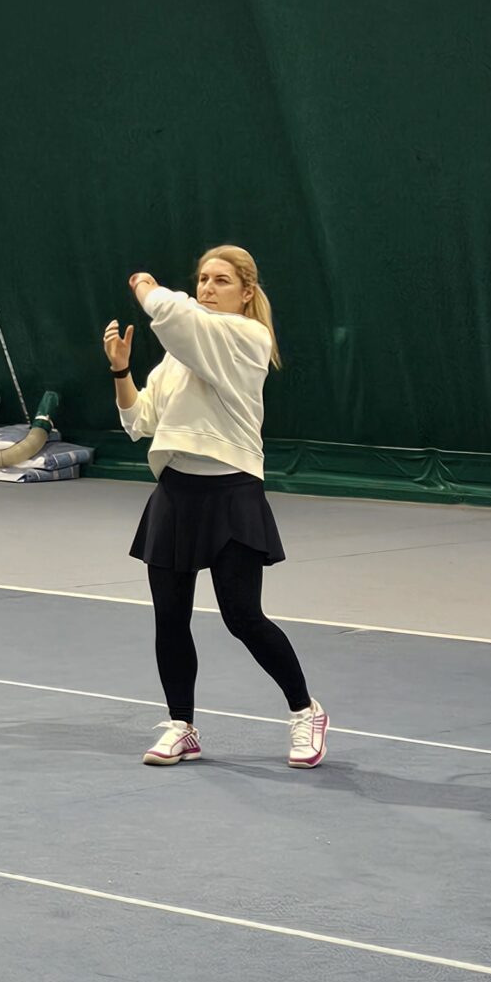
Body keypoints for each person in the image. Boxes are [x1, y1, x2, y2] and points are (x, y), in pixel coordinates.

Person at [103, 246, 325, 767]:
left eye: (221, 280)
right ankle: (182, 726)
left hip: (232, 495)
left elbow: (172, 313)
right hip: (175, 496)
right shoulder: (178, 355)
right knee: (170, 619)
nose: (207, 287)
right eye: (202, 278)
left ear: (247, 293)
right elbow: (139, 422)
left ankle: (305, 711)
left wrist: (143, 284)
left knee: (242, 616)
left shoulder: (248, 338)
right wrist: (121, 371)